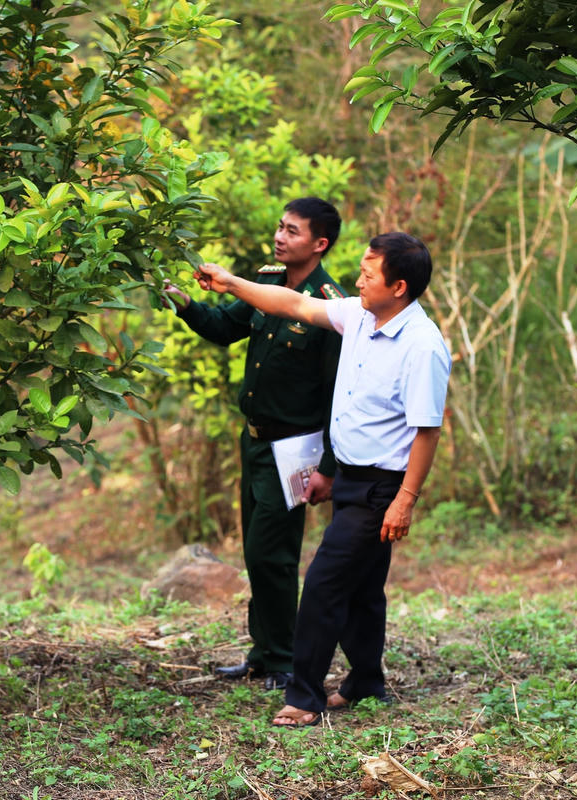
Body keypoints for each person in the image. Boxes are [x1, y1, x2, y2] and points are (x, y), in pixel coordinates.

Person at [193, 232, 450, 725]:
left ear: (398, 286)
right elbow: (291, 302)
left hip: (381, 487)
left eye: (368, 275)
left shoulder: (422, 346)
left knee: (323, 586)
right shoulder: (359, 315)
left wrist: (405, 500)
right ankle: (366, 681)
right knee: (362, 590)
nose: (357, 280)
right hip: (351, 477)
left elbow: (427, 431)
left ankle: (304, 695)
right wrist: (230, 285)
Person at [165, 197, 347, 690]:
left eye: (292, 231)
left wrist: (329, 465)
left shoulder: (329, 305)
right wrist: (185, 303)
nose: (280, 236)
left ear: (319, 243)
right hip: (255, 442)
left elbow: (336, 393)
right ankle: (264, 653)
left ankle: (285, 657)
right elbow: (227, 328)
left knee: (275, 554)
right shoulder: (266, 281)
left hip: (295, 449)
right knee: (256, 552)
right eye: (279, 226)